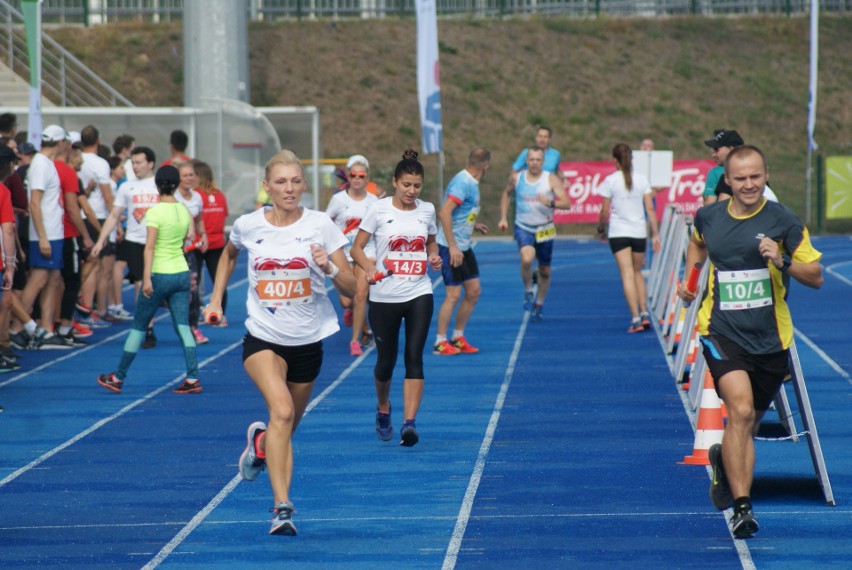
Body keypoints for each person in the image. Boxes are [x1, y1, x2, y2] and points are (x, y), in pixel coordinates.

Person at [205, 150, 355, 536]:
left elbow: (353, 288)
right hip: (263, 339)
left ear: (304, 185)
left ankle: (259, 444)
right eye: (280, 182)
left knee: (285, 428)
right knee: (283, 413)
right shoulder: (249, 225)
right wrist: (216, 298)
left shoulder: (322, 225)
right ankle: (282, 508)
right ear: (267, 186)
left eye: (295, 181)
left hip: (309, 343)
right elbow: (228, 254)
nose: (288, 189)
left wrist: (330, 267)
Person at [676, 145, 823, 539]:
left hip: (771, 337)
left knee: (749, 422)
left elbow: (816, 275)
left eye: (755, 176)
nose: (749, 184)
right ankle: (743, 508)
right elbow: (697, 244)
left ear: (766, 174)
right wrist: (690, 283)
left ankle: (724, 459)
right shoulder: (709, 216)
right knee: (739, 412)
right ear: (727, 180)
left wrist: (782, 260)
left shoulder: (784, 221)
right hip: (720, 331)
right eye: (740, 178)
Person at [350, 149, 442, 447]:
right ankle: (383, 407)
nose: (411, 191)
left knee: (414, 357)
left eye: (416, 186)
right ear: (395, 182)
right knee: (385, 363)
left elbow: (431, 244)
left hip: (419, 292)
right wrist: (368, 269)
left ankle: (410, 423)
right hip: (384, 296)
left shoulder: (427, 210)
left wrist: (434, 256)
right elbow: (357, 249)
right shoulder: (378, 210)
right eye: (406, 185)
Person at [97, 166, 201, 395]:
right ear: (176, 184)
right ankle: (193, 377)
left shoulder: (154, 213)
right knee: (183, 326)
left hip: (159, 274)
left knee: (139, 327)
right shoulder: (183, 210)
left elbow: (150, 247)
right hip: (181, 273)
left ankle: (118, 377)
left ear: (157, 185)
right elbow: (187, 238)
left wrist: (145, 279)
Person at [92, 147, 160, 348]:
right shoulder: (126, 187)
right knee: (141, 284)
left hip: (156, 242)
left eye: (139, 162)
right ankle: (146, 327)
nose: (135, 166)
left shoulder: (160, 185)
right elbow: (114, 215)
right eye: (133, 162)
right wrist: (100, 240)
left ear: (150, 164)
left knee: (156, 286)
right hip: (134, 241)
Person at [498, 146, 571, 322]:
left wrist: (551, 203)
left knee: (544, 270)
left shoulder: (551, 179)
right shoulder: (517, 177)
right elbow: (506, 194)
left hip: (545, 229)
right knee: (527, 258)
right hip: (524, 227)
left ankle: (539, 303)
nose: (535, 163)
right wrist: (503, 218)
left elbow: (567, 203)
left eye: (538, 160)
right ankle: (529, 288)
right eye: (531, 160)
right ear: (527, 161)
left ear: (543, 162)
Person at [596, 143, 661, 333]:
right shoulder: (642, 180)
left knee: (627, 274)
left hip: (618, 232)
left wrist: (601, 228)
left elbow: (604, 210)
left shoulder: (610, 180)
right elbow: (650, 209)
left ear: (614, 160)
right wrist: (655, 234)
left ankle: (635, 319)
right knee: (638, 272)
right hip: (638, 232)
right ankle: (644, 312)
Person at [434, 146, 491, 355]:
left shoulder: (470, 182)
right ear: (486, 167)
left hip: (463, 245)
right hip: (452, 246)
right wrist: (452, 246)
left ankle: (457, 336)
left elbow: (459, 213)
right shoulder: (463, 183)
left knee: (474, 291)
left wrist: (473, 225)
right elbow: (444, 212)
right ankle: (440, 342)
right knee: (453, 294)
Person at [325, 154, 378, 356]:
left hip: (366, 253)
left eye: (361, 175)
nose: (357, 179)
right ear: (348, 176)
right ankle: (353, 314)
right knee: (347, 301)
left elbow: (379, 229)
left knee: (360, 295)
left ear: (367, 178)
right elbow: (325, 222)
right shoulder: (338, 200)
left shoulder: (373, 202)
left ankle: (355, 340)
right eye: (353, 175)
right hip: (343, 254)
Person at [174, 159, 208, 344]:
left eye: (191, 175)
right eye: (184, 175)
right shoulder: (173, 197)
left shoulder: (197, 197)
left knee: (193, 289)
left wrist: (203, 235)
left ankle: (192, 328)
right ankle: (146, 328)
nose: (188, 178)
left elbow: (199, 219)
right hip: (172, 251)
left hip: (190, 251)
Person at [702, 129, 779, 205]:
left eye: (717, 149)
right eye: (740, 179)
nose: (749, 185)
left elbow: (716, 209)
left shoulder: (716, 172)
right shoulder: (758, 173)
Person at [195, 161, 229, 327]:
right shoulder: (220, 195)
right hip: (217, 243)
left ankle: (194, 316)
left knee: (193, 281)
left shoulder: (195, 195)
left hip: (197, 243)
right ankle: (221, 315)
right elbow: (224, 215)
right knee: (219, 280)